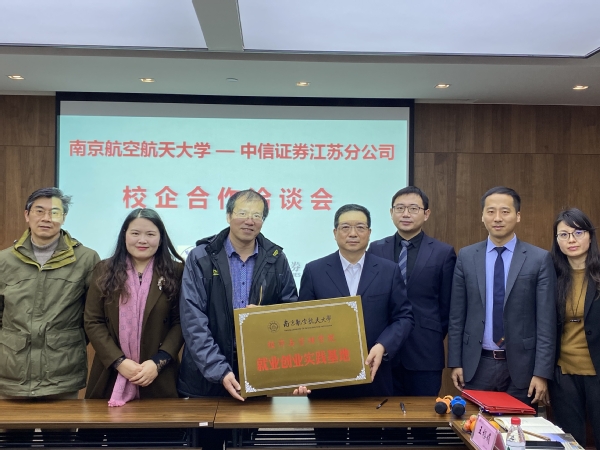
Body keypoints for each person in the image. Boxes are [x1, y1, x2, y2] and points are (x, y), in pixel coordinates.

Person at [178, 189, 298, 400]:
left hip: (258, 372)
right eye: (242, 213)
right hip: (204, 376)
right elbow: (193, 319)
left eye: (257, 215)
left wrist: (266, 317)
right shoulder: (201, 257)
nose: (249, 221)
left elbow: (290, 312)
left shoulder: (276, 258)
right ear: (228, 216)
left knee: (253, 423)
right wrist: (219, 370)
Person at [448, 186, 556, 406]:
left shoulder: (538, 259)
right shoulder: (467, 257)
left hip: (523, 368)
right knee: (475, 426)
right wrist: (456, 362)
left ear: (518, 216)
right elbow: (457, 315)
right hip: (477, 365)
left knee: (518, 427)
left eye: (505, 211)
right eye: (491, 211)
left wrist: (541, 372)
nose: (497, 218)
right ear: (482, 216)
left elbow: (546, 322)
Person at [299, 204, 414, 398]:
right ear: (335, 233)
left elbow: (404, 317)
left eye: (360, 227)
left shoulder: (389, 270)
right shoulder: (314, 271)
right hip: (326, 378)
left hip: (374, 373)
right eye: (345, 227)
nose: (353, 233)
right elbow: (303, 323)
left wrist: (383, 345)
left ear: (369, 233)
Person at [0, 187, 100, 398]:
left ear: (63, 217)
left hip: (62, 375)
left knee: (62, 422)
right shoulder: (4, 260)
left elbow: (92, 315)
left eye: (54, 212)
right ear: (27, 215)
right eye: (39, 211)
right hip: (10, 373)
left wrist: (65, 342)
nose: (46, 218)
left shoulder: (85, 259)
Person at [84, 208, 184, 406]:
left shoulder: (176, 271)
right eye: (135, 233)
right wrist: (119, 362)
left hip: (160, 374)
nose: (142, 240)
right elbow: (93, 321)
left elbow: (181, 321)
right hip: (110, 374)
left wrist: (158, 362)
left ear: (161, 239)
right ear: (125, 236)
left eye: (150, 234)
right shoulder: (104, 270)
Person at [369, 186, 456, 396]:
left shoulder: (443, 253)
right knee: (384, 414)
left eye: (413, 208)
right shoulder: (376, 249)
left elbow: (447, 307)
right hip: (383, 352)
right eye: (400, 208)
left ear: (426, 214)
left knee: (424, 414)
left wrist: (429, 333)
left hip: (424, 352)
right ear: (391, 212)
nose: (406, 214)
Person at [548, 208, 600, 447]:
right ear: (557, 240)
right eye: (564, 234)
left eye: (578, 233)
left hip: (596, 371)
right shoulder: (551, 276)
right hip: (563, 374)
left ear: (590, 235)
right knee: (568, 442)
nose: (571, 240)